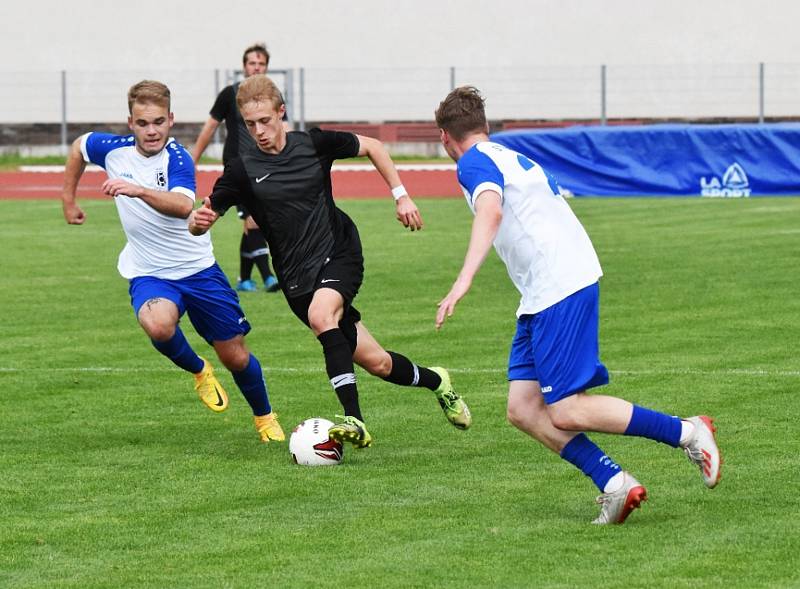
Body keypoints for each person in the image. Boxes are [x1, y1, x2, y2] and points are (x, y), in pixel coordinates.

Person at [433, 86, 722, 525]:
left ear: (444, 139)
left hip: (558, 285)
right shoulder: (504, 154)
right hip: (547, 289)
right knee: (523, 408)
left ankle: (687, 432)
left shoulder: (472, 162)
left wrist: (462, 281)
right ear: (485, 127)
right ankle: (614, 484)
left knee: (566, 408)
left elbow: (489, 212)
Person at [189, 74, 471, 449]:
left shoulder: (314, 143)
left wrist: (401, 196)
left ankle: (355, 420)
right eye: (250, 124)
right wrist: (197, 221)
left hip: (339, 251)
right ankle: (439, 381)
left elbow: (373, 146)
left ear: (281, 113)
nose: (258, 131)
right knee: (378, 363)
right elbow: (203, 216)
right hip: (295, 278)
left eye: (265, 121)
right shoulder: (242, 169)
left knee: (324, 316)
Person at [61, 80, 285, 444]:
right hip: (150, 272)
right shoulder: (112, 150)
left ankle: (264, 418)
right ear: (130, 122)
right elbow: (77, 148)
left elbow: (184, 205)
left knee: (236, 357)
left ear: (172, 120)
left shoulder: (177, 158)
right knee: (157, 324)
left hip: (198, 272)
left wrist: (138, 190)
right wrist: (68, 200)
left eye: (160, 122)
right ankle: (199, 371)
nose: (153, 131)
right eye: (144, 123)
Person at [191, 43, 279, 293]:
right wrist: (193, 159)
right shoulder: (230, 94)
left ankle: (244, 278)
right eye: (252, 63)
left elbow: (281, 128)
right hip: (238, 167)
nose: (256, 67)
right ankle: (268, 275)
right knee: (253, 221)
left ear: (266, 67)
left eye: (261, 64)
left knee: (255, 220)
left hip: (264, 165)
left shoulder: (272, 97)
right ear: (244, 66)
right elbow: (210, 127)